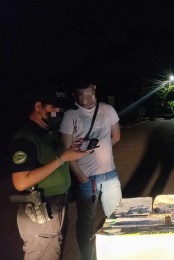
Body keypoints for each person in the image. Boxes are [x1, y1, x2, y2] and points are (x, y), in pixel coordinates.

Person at [9, 84, 89, 260]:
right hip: (40, 210)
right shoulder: (26, 138)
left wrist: (71, 150)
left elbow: (58, 158)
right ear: (39, 107)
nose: (59, 113)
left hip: (58, 205)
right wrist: (62, 159)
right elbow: (21, 182)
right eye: (54, 108)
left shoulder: (49, 133)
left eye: (62, 109)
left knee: (54, 252)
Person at [59, 79, 122, 260]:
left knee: (115, 216)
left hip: (110, 173)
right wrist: (81, 177)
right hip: (86, 177)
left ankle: (115, 252)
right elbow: (66, 151)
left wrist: (101, 150)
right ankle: (87, 256)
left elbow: (116, 136)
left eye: (89, 93)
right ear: (75, 95)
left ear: (94, 89)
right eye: (81, 95)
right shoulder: (71, 115)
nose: (87, 99)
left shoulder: (107, 109)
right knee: (86, 221)